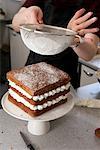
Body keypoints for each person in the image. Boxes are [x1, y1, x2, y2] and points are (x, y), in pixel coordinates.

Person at [12, 0, 100, 88]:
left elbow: (89, 54)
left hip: (65, 73)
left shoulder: (93, 3)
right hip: (34, 66)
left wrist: (71, 38)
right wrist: (28, 14)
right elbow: (15, 24)